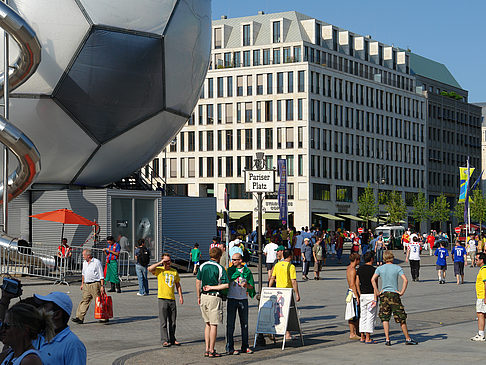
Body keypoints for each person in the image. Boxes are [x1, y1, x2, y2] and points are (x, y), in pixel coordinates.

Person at [0, 289, 87, 365]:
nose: (39, 310)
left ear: (57, 314)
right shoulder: (36, 335)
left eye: (44, 306)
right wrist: (5, 300)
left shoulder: (73, 344)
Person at [371, 251, 418, 346]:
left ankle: (387, 339)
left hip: (384, 294)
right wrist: (401, 292)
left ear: (384, 258)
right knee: (401, 317)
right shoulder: (397, 268)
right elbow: (405, 280)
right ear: (392, 258)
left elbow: (372, 279)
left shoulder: (380, 268)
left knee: (385, 317)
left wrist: (377, 292)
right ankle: (407, 338)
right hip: (394, 294)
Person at [196, 247, 229, 358]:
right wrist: (212, 287)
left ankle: (206, 348)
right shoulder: (219, 268)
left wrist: (198, 296)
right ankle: (211, 350)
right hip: (214, 297)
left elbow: (198, 281)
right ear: (219, 256)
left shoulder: (203, 266)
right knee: (214, 324)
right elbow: (226, 285)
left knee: (207, 324)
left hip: (203, 296)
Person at [148, 253, 183, 347]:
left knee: (173, 322)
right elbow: (149, 269)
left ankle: (172, 339)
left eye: (169, 261)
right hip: (162, 299)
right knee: (163, 321)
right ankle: (164, 340)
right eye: (166, 261)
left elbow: (178, 284)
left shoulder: (174, 271)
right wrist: (160, 262)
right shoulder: (159, 270)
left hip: (172, 299)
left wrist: (180, 296)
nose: (168, 263)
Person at [226, 253, 255, 355]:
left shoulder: (247, 271)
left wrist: (247, 285)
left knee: (245, 324)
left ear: (240, 260)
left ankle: (245, 346)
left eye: (234, 260)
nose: (232, 261)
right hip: (232, 298)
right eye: (232, 259)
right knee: (230, 324)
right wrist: (231, 278)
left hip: (243, 299)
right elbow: (225, 283)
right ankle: (230, 347)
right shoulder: (230, 270)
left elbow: (252, 287)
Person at [268, 249, 300, 340]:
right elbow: (293, 281)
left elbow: (272, 278)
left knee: (278, 312)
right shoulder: (291, 266)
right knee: (287, 313)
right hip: (287, 292)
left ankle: (280, 332)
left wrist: (269, 289)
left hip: (278, 291)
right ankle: (287, 333)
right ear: (290, 256)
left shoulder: (277, 265)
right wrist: (297, 293)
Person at [72, 249, 106, 324]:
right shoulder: (84, 263)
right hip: (86, 284)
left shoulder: (96, 262)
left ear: (88, 255)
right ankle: (79, 317)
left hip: (95, 284)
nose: (83, 257)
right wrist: (82, 283)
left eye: (84, 255)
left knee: (98, 301)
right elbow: (83, 274)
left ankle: (103, 317)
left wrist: (102, 286)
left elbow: (101, 275)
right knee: (85, 300)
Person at [356, 251, 378, 344]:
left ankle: (362, 336)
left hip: (363, 295)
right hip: (371, 295)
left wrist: (360, 293)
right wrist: (376, 296)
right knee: (370, 316)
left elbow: (357, 282)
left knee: (363, 316)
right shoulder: (374, 270)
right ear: (372, 259)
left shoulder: (359, 269)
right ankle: (368, 337)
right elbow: (375, 284)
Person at [345, 252, 360, 340]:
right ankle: (352, 333)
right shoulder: (352, 270)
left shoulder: (349, 268)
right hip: (352, 293)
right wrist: (357, 296)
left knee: (352, 312)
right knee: (353, 313)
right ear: (356, 260)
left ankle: (355, 332)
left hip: (350, 292)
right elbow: (352, 284)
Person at [471, 252, 486, 341]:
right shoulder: (482, 269)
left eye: (477, 259)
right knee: (482, 314)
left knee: (480, 314)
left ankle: (481, 334)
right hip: (481, 295)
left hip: (482, 296)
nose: (475, 261)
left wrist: (485, 297)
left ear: (482, 260)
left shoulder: (484, 270)